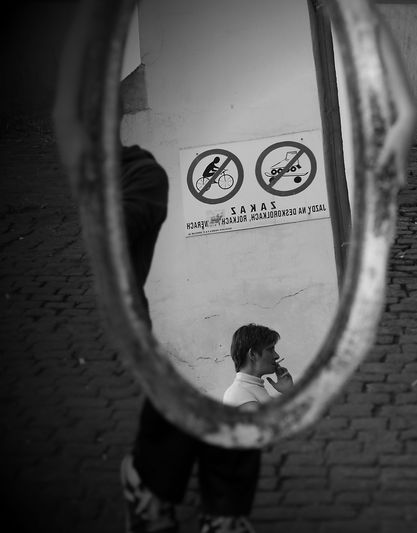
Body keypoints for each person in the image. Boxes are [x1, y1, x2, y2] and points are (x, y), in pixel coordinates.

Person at [117, 146, 290, 533]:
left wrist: (286, 392)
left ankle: (209, 507)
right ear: (252, 354)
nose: (278, 357)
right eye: (271, 350)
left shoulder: (140, 173)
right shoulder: (242, 394)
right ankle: (158, 492)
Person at [223, 323, 294, 410]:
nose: (276, 356)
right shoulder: (238, 394)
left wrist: (288, 391)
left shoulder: (251, 388)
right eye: (270, 350)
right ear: (252, 354)